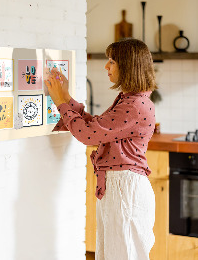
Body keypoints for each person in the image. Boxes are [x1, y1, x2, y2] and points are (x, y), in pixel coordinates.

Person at [45, 38, 157, 260]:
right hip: (120, 187)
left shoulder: (134, 105)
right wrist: (66, 97)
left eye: (112, 61)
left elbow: (88, 135)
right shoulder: (130, 100)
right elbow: (96, 127)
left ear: (128, 66)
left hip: (125, 189)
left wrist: (60, 102)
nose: (106, 66)